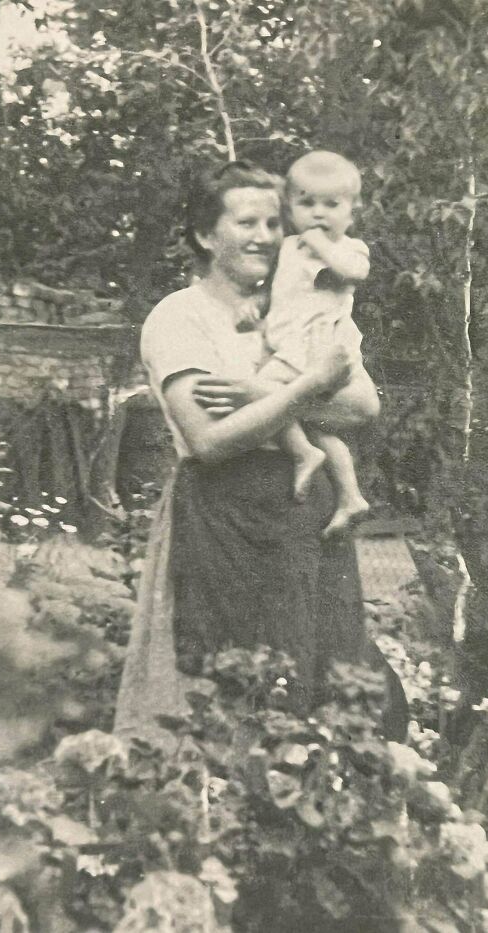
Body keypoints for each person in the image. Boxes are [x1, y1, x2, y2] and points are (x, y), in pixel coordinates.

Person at [113, 160, 407, 746]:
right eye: (246, 223)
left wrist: (261, 395)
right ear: (205, 234)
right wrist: (305, 387)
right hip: (227, 515)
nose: (265, 237)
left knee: (327, 680)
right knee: (229, 687)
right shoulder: (181, 316)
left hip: (310, 518)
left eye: (274, 223)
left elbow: (361, 405)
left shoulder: (305, 302)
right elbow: (211, 440)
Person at [260, 150, 372, 538]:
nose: (318, 214)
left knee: (263, 392)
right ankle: (350, 495)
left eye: (331, 205)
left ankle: (302, 454)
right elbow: (278, 293)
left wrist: (320, 243)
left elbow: (354, 272)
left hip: (319, 350)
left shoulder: (350, 248)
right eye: (307, 204)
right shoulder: (286, 249)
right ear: (290, 207)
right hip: (291, 345)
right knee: (317, 424)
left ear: (353, 211)